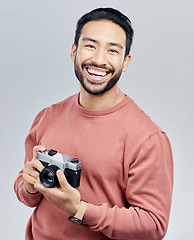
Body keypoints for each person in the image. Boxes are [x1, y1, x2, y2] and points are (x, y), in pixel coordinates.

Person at [14, 7, 173, 240]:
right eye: (90, 46)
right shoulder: (47, 116)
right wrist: (28, 185)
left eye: (112, 50)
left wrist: (79, 210)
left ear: (125, 62)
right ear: (73, 52)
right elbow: (26, 193)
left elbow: (153, 225)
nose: (99, 60)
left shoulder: (148, 138)